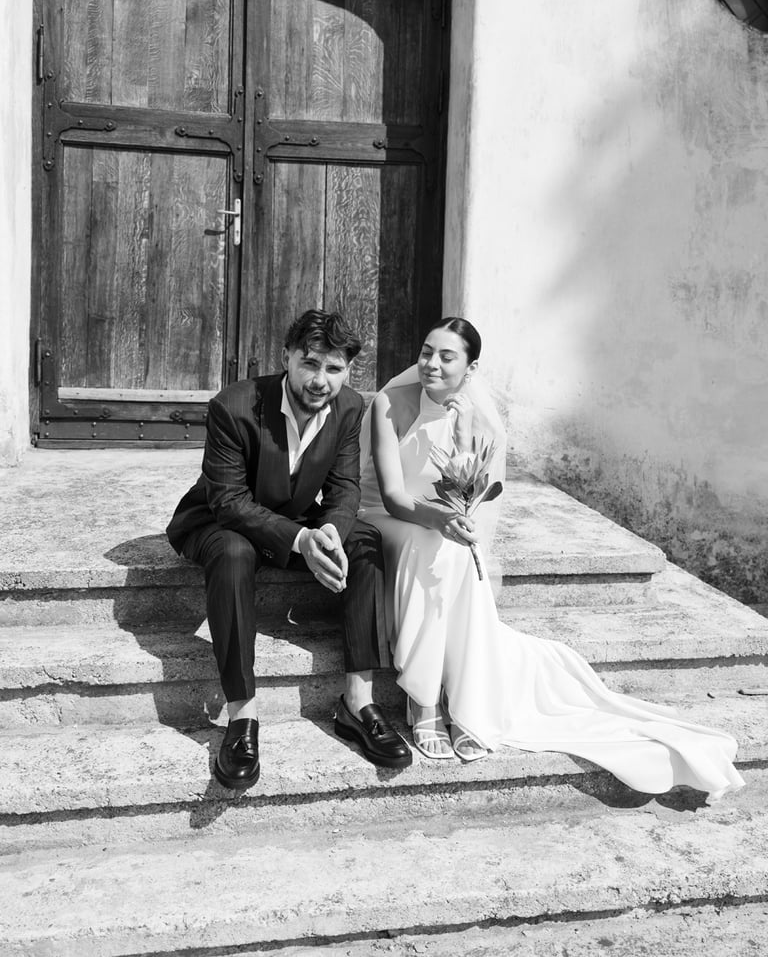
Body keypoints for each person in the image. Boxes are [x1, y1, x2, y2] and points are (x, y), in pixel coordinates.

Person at [357, 316, 744, 800]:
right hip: (390, 520)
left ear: (470, 369)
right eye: (426, 352)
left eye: (446, 356)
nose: (431, 363)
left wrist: (463, 437)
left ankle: (458, 696)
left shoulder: (479, 419)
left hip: (440, 524)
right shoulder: (389, 402)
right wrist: (438, 520)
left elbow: (469, 496)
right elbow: (393, 497)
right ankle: (423, 699)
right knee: (431, 544)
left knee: (452, 551)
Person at [167, 309, 412, 790]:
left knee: (365, 540)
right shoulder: (233, 406)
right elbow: (229, 501)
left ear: (348, 371)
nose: (321, 380)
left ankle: (358, 703)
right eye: (311, 363)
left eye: (334, 368)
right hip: (219, 520)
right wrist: (301, 540)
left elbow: (344, 489)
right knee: (235, 553)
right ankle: (242, 717)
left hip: (294, 519)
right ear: (287, 358)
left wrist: (330, 533)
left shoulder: (349, 408)